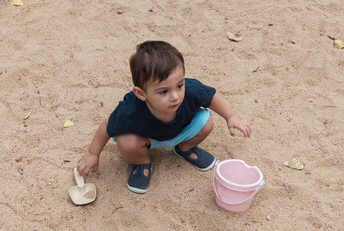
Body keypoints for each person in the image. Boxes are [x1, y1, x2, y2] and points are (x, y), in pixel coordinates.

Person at [77, 41, 251, 194]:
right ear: (141, 93)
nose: (175, 96)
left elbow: (211, 97)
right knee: (126, 141)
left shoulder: (190, 90)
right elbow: (107, 126)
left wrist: (231, 116)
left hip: (181, 130)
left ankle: (184, 148)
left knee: (207, 121)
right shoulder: (131, 109)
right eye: (164, 91)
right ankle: (142, 163)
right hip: (148, 138)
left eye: (179, 85)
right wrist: (93, 153)